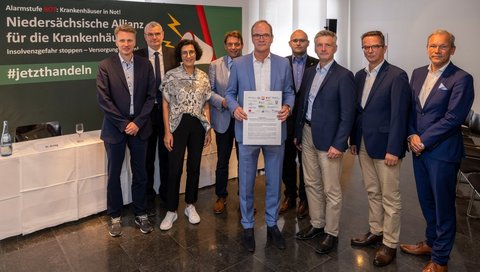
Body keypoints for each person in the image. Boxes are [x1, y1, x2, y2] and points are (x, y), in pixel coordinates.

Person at [400, 29, 474, 272]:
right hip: (419, 149)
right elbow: (412, 109)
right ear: (427, 48)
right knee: (426, 201)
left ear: (452, 50)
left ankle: (441, 260)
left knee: (443, 206)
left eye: (443, 47)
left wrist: (423, 140)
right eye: (433, 46)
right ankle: (431, 243)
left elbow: (454, 117)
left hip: (442, 152)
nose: (437, 51)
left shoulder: (461, 78)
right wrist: (411, 135)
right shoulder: (418, 73)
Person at [225, 20, 295, 252]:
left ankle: (272, 223)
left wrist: (288, 106)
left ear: (272, 38)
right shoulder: (239, 63)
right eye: (257, 35)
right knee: (246, 181)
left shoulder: (284, 64)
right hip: (247, 130)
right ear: (252, 38)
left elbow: (289, 92)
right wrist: (235, 107)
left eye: (265, 35)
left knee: (274, 179)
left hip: (275, 130)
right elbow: (230, 93)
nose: (261, 38)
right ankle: (247, 225)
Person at [349, 30, 411, 267]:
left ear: (385, 48)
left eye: (375, 46)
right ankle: (376, 231)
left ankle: (390, 243)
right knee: (372, 190)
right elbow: (359, 112)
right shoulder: (359, 76)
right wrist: (354, 139)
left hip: (386, 146)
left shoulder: (397, 76)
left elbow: (399, 115)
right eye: (366, 47)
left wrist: (394, 148)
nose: (370, 50)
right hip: (364, 143)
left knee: (390, 197)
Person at [294, 30, 355, 254]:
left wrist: (340, 143)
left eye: (327, 45)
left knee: (331, 188)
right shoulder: (310, 72)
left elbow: (348, 114)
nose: (323, 49)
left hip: (330, 139)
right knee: (311, 182)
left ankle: (331, 232)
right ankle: (317, 224)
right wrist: (298, 132)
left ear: (335, 48)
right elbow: (303, 105)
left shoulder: (344, 75)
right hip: (308, 134)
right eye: (319, 45)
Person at [96, 24, 155, 237]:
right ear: (116, 42)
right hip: (115, 128)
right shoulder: (105, 66)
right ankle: (115, 216)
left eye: (130, 40)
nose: (126, 44)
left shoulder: (145, 65)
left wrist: (137, 122)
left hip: (140, 127)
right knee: (114, 174)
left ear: (135, 41)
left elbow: (151, 97)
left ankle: (141, 213)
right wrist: (123, 124)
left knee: (140, 173)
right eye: (122, 40)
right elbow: (104, 100)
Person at [159, 39, 212, 231]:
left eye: (191, 52)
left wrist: (208, 128)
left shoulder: (204, 77)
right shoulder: (171, 76)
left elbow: (206, 104)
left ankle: (191, 205)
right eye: (184, 53)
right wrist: (167, 131)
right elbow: (165, 104)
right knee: (174, 169)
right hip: (177, 125)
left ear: (196, 54)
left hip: (198, 125)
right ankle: (171, 210)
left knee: (194, 166)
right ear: (180, 56)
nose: (188, 56)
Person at [134, 21, 179, 216]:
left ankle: (167, 195)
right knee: (146, 159)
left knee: (167, 157)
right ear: (145, 37)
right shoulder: (137, 56)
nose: (154, 37)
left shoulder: (173, 54)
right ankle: (148, 198)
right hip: (145, 115)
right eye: (150, 34)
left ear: (163, 34)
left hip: (168, 114)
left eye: (157, 34)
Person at [280, 29, 319, 219]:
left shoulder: (317, 64)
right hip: (285, 119)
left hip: (306, 121)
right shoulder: (281, 64)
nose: (298, 43)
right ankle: (289, 195)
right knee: (286, 159)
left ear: (307, 43)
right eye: (295, 40)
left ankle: (305, 198)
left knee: (306, 160)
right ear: (289, 43)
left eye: (302, 40)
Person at [208, 30, 243, 214]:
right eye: (230, 44)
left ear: (242, 45)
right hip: (223, 119)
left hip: (243, 120)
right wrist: (224, 102)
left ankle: (244, 198)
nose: (233, 47)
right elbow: (210, 91)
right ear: (225, 45)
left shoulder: (249, 63)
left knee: (244, 161)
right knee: (222, 161)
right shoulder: (215, 65)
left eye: (237, 44)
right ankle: (221, 196)